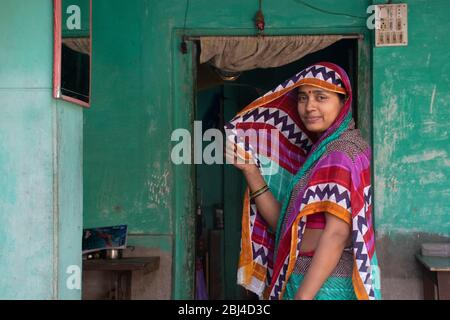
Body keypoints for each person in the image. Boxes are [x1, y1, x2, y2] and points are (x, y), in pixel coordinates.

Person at [224, 62, 381, 300]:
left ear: (343, 102)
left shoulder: (341, 152)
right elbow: (284, 225)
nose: (310, 107)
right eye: (303, 97)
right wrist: (250, 171)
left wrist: (303, 297)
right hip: (306, 279)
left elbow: (338, 233)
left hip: (324, 286)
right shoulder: (322, 154)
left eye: (321, 97)